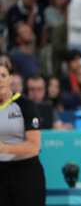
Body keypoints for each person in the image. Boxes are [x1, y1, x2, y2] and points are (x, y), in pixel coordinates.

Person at [0, 60, 46, 206]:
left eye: (3, 75)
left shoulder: (26, 105)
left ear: (11, 78)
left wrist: (3, 148)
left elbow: (34, 147)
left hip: (26, 172)